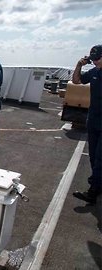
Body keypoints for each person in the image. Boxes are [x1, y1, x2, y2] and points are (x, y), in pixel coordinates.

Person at [72, 44, 102, 204]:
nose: (95, 62)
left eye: (98, 58)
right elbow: (76, 81)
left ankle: (93, 192)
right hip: (94, 120)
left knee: (100, 158)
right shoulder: (94, 72)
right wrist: (79, 65)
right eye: (93, 59)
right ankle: (98, 185)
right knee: (93, 156)